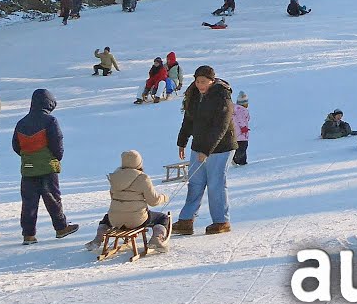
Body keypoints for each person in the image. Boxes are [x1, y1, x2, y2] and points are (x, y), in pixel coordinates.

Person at [174, 65, 236, 236]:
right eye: (197, 81)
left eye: (203, 81)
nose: (200, 84)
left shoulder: (222, 96)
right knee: (195, 183)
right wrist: (182, 141)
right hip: (199, 145)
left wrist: (206, 150)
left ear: (212, 81)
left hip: (221, 147)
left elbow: (221, 127)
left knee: (215, 183)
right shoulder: (193, 95)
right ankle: (186, 220)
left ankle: (221, 221)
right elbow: (188, 119)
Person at [12, 89, 79, 244]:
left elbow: (15, 145)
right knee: (53, 198)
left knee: (29, 202)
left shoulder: (21, 123)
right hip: (47, 167)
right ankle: (61, 227)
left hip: (27, 168)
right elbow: (57, 143)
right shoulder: (50, 121)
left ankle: (28, 235)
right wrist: (55, 157)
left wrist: (28, 156)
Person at [86, 150, 172, 254]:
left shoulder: (115, 177)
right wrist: (164, 197)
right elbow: (153, 201)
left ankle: (98, 238)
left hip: (115, 220)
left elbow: (112, 196)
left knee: (106, 219)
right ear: (139, 163)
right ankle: (157, 239)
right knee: (162, 218)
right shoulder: (143, 178)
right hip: (137, 220)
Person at [232, 91, 250, 165]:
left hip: (236, 132)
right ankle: (236, 159)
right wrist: (244, 128)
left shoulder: (236, 109)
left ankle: (243, 161)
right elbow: (241, 120)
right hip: (241, 133)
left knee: (241, 147)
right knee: (243, 146)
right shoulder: (241, 110)